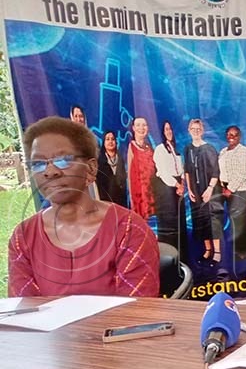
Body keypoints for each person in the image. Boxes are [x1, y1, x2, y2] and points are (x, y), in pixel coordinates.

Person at [8, 117, 159, 297]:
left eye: (62, 160)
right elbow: (25, 308)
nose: (50, 172)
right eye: (38, 164)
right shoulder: (23, 237)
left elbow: (137, 309)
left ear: (91, 168)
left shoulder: (129, 229)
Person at [184, 118, 223, 263]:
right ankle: (207, 250)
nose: (196, 132)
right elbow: (187, 170)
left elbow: (216, 171)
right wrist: (189, 189)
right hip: (196, 190)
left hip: (210, 189)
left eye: (198, 129)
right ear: (189, 131)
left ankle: (217, 252)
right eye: (193, 129)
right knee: (200, 220)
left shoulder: (209, 148)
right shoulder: (187, 149)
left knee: (213, 220)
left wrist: (210, 189)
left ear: (202, 131)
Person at [218, 125, 246, 261]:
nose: (231, 137)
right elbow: (221, 171)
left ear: (239, 137)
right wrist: (222, 186)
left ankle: (243, 251)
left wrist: (230, 189)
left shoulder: (243, 151)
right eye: (229, 134)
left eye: (234, 134)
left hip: (241, 189)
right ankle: (240, 248)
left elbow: (243, 173)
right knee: (235, 219)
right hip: (227, 189)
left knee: (240, 220)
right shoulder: (223, 151)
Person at [152, 120, 186, 255]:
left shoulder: (175, 148)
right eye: (166, 129)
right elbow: (163, 172)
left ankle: (182, 253)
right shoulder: (160, 149)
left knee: (180, 220)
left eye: (170, 129)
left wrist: (182, 184)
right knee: (170, 222)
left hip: (178, 186)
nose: (169, 131)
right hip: (167, 188)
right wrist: (177, 185)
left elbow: (181, 168)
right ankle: (171, 253)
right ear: (162, 132)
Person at [126, 117, 156, 220]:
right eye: (138, 125)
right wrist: (132, 199)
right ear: (133, 128)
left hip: (153, 195)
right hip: (139, 197)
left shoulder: (150, 148)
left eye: (144, 125)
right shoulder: (131, 147)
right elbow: (130, 175)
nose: (141, 128)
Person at [95, 130, 127, 207]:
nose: (110, 141)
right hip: (106, 203)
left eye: (112, 139)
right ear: (104, 142)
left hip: (121, 203)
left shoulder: (121, 159)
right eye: (107, 139)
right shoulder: (99, 162)